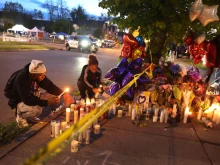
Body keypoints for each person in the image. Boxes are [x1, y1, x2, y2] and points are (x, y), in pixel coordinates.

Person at [8, 60, 74, 126]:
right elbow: (27, 100)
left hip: (31, 95)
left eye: (44, 75)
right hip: (19, 101)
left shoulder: (37, 75)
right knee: (37, 110)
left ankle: (31, 115)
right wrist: (47, 102)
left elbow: (50, 86)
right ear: (34, 74)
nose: (44, 77)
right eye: (42, 75)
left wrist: (63, 94)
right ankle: (20, 115)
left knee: (53, 96)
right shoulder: (22, 79)